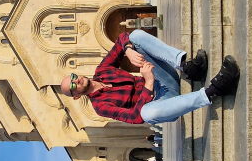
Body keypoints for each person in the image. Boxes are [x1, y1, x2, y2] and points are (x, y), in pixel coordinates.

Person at [59, 30, 240, 125]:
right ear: (76, 96)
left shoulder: (102, 71)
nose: (76, 81)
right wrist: (148, 84)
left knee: (135, 37)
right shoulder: (100, 107)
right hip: (162, 102)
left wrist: (128, 50)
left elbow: (122, 37)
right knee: (147, 114)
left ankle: (189, 68)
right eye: (73, 86)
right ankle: (214, 90)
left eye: (73, 77)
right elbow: (135, 117)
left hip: (163, 79)